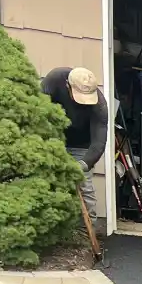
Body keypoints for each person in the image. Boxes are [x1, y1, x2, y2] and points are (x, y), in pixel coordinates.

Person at [41, 66, 108, 219]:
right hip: (54, 140)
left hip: (82, 145)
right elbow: (39, 110)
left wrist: (83, 164)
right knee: (49, 182)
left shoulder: (100, 105)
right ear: (67, 85)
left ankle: (86, 230)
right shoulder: (55, 79)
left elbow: (99, 142)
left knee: (85, 187)